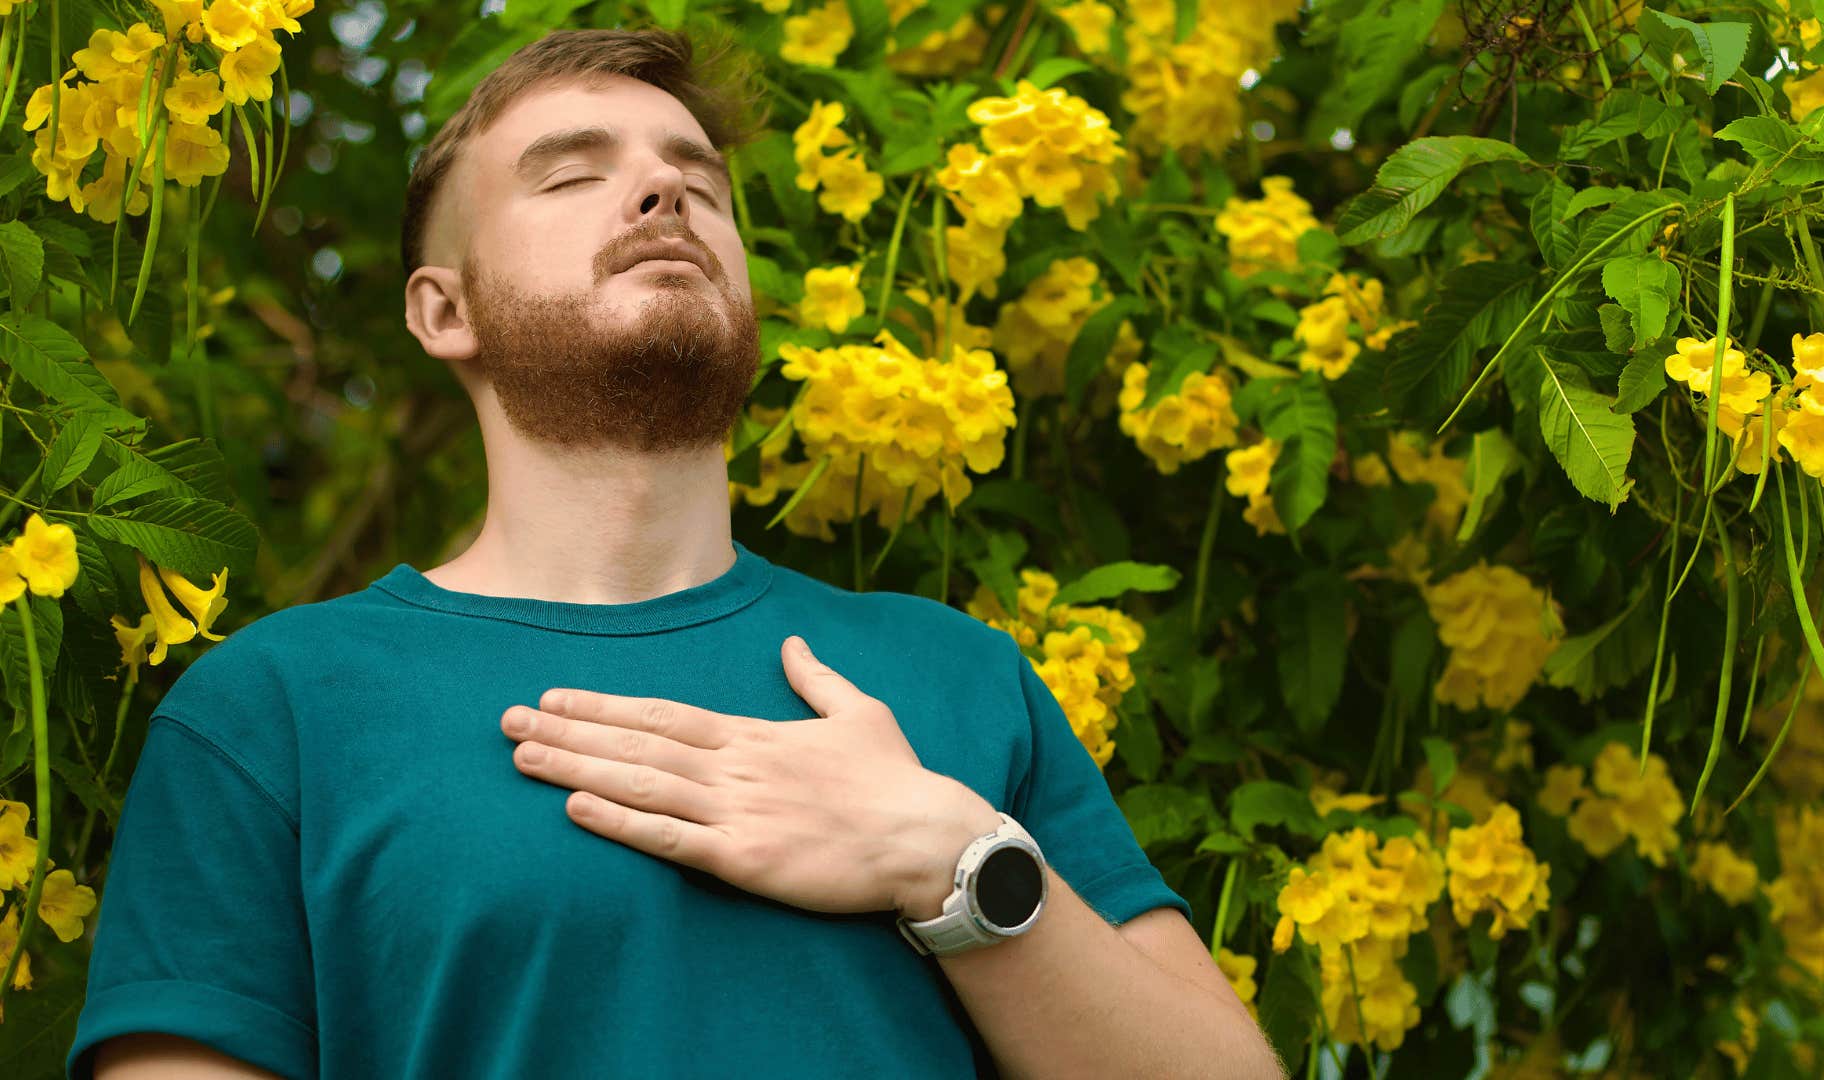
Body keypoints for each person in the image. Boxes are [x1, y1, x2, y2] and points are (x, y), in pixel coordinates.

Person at [66, 25, 1282, 1080]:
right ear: (445, 310)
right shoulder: (272, 713)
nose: (663, 195)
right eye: (572, 176)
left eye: (695, 176)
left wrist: (952, 860)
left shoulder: (961, 677)